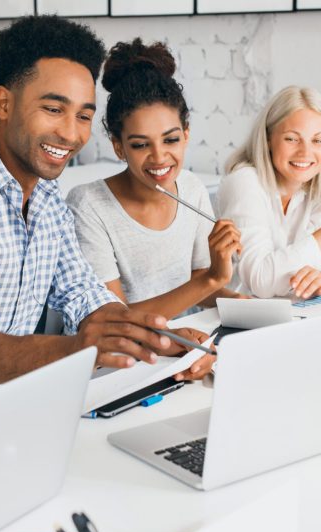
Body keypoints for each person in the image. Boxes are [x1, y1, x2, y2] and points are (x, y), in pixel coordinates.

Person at [0, 15, 214, 401]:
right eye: (54, 109)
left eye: (84, 116)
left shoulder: (48, 201)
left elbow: (84, 296)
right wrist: (77, 351)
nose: (71, 134)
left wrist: (153, 338)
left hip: (12, 409)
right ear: (4, 103)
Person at [66, 38, 244, 322]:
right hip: (120, 355)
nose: (159, 157)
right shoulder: (88, 205)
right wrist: (213, 279)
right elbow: (113, 319)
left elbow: (197, 282)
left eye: (171, 139)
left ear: (186, 135)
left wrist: (241, 303)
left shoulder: (191, 188)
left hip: (183, 343)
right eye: (140, 145)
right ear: (118, 146)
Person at [215, 86, 321, 300]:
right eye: (292, 139)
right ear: (268, 139)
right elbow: (260, 280)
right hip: (236, 316)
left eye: (318, 141)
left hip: (289, 311)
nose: (305, 152)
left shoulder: (313, 183)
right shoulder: (244, 182)